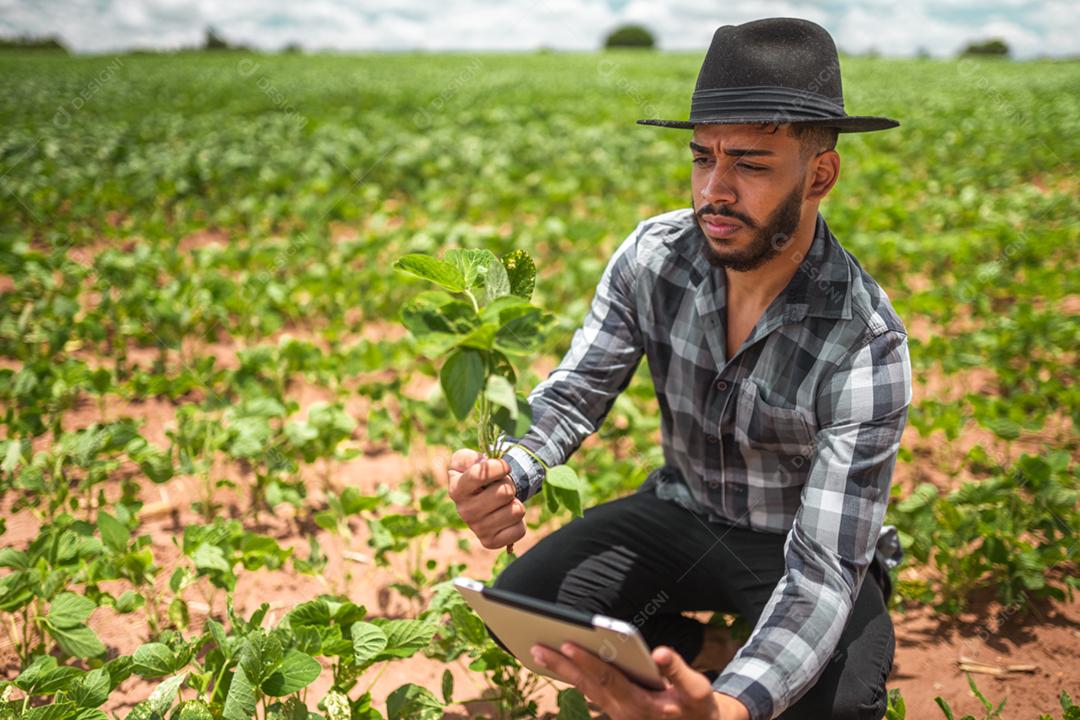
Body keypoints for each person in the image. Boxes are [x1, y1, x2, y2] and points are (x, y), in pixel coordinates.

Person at [448, 17, 911, 720]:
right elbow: (575, 394)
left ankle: (730, 673)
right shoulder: (654, 256)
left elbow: (820, 575)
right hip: (682, 512)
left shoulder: (866, 342)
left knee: (841, 706)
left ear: (820, 174)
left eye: (750, 165)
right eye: (702, 158)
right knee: (525, 611)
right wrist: (512, 468)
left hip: (795, 547)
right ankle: (696, 651)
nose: (714, 190)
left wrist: (729, 711)